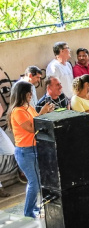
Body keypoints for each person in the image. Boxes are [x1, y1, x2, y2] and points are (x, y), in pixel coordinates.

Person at [9, 81, 55, 217]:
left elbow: (38, 121)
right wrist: (42, 112)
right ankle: (28, 212)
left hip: (35, 148)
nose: (31, 95)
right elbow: (31, 128)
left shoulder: (29, 107)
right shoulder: (17, 111)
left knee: (38, 181)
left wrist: (45, 113)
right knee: (34, 182)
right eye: (29, 93)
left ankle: (33, 207)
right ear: (22, 94)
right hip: (24, 151)